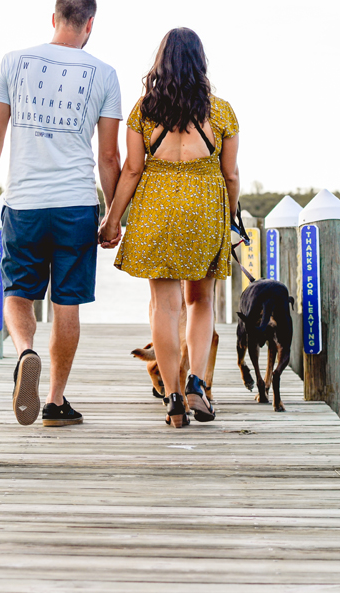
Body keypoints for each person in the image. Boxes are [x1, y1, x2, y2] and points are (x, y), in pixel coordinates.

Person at [0, 0, 122, 427]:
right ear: (90, 24)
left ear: (52, 18)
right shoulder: (105, 74)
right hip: (76, 205)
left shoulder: (13, 62)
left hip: (24, 203)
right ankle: (55, 401)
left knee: (18, 292)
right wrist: (113, 215)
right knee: (66, 305)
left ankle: (25, 353)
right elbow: (109, 157)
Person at [98, 27, 239, 428]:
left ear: (161, 62)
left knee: (164, 306)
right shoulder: (223, 112)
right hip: (204, 216)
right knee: (201, 302)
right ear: (201, 63)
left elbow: (131, 169)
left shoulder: (144, 111)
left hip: (155, 214)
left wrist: (112, 220)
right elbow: (230, 175)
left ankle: (173, 396)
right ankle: (196, 383)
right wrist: (228, 222)